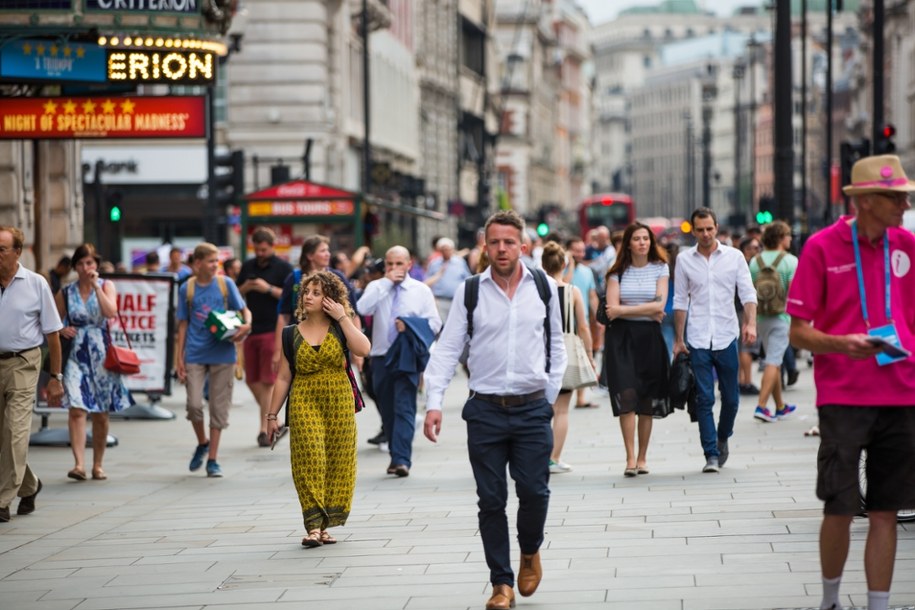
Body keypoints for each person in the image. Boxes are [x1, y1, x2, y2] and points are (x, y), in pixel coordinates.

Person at [787, 155, 915, 610]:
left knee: (885, 511)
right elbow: (798, 332)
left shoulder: (908, 245)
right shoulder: (822, 247)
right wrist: (841, 344)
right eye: (894, 197)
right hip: (843, 396)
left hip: (902, 393)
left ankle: (879, 605)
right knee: (839, 507)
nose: (904, 205)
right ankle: (830, 600)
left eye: (904, 197)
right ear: (864, 201)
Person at [422, 210, 567, 610]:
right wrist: (434, 403)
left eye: (509, 242)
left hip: (532, 407)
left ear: (523, 246)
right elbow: (447, 349)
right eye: (495, 242)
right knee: (491, 500)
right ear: (485, 246)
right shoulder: (470, 291)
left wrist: (548, 397)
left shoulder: (544, 286)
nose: (502, 249)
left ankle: (530, 550)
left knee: (534, 492)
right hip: (485, 409)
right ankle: (501, 584)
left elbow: (556, 344)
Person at [265, 271, 370, 548]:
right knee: (309, 458)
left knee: (337, 461)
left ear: (330, 299)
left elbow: (363, 349)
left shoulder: (340, 328)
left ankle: (326, 526)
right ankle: (312, 526)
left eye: (316, 293)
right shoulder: (290, 333)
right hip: (304, 400)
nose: (308, 297)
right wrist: (272, 415)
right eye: (306, 292)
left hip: (339, 402)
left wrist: (343, 317)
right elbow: (283, 377)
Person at [673, 208, 757, 473]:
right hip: (698, 337)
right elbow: (680, 300)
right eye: (700, 230)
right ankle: (710, 454)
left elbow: (748, 293)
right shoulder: (684, 260)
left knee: (731, 399)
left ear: (717, 227)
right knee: (704, 398)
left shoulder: (734, 257)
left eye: (709, 228)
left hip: (727, 334)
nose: (706, 234)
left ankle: (722, 437)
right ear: (693, 231)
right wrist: (678, 338)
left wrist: (750, 323)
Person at [357, 246, 441, 477]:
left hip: (406, 356)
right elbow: (363, 308)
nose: (394, 268)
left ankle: (402, 459)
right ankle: (396, 454)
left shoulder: (420, 290)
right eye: (390, 264)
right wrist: (385, 283)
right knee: (387, 408)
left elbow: (435, 324)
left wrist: (410, 325)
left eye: (399, 264)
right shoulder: (377, 287)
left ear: (409, 264)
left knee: (405, 406)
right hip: (381, 356)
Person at [0, 226, 64, 522]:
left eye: (1, 249)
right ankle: (30, 485)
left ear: (17, 252)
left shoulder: (36, 284)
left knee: (15, 431)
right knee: (4, 437)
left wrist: (55, 378)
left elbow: (53, 335)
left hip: (24, 362)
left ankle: (3, 499)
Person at [55, 244, 134, 481]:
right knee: (77, 409)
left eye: (89, 263)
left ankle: (97, 464)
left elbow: (110, 312)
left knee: (100, 412)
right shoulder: (66, 292)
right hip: (76, 354)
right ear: (75, 267)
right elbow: (51, 322)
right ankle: (79, 464)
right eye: (80, 264)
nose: (85, 268)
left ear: (96, 265)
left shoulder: (106, 286)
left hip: (101, 355)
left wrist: (97, 286)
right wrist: (62, 329)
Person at [176, 242, 252, 478]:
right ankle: (202, 442)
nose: (215, 265)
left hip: (223, 352)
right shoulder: (187, 288)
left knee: (218, 408)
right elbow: (183, 324)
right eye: (210, 261)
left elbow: (244, 310)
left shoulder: (225, 283)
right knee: (194, 405)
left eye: (216, 261)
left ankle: (212, 459)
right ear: (197, 263)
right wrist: (179, 358)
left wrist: (247, 324)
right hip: (195, 352)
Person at [604, 222, 670, 477]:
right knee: (627, 395)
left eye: (646, 238)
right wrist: (646, 309)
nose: (642, 242)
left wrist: (624, 309)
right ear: (628, 244)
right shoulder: (617, 272)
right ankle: (630, 458)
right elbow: (611, 310)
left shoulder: (660, 267)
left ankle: (643, 457)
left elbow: (660, 305)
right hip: (622, 340)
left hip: (649, 339)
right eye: (637, 239)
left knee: (646, 399)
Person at [236, 227, 294, 447]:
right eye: (257, 249)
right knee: (252, 380)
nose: (260, 253)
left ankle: (264, 430)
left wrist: (267, 288)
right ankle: (276, 421)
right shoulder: (248, 266)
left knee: (268, 381)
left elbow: (290, 297)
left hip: (272, 328)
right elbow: (236, 293)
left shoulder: (283, 268)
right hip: (251, 329)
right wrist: (247, 286)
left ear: (272, 246)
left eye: (263, 249)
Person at [541, 241, 593, 473]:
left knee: (542, 409)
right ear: (564, 264)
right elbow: (583, 326)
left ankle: (538, 457)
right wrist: (589, 355)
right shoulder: (572, 292)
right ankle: (553, 459)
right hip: (566, 353)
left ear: (543, 265)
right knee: (561, 410)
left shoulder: (538, 291)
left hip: (540, 354)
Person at [748, 220, 798, 423]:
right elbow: (794, 293)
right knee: (773, 361)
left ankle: (780, 406)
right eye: (788, 235)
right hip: (781, 316)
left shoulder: (755, 261)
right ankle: (761, 406)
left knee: (773, 359)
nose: (790, 239)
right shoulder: (791, 261)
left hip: (761, 317)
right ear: (780, 238)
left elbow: (750, 289)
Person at [565, 237, 599, 408]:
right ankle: (564, 396)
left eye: (582, 250)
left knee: (583, 357)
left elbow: (592, 295)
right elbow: (563, 285)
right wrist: (570, 265)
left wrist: (598, 317)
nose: (580, 254)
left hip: (582, 319)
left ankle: (580, 398)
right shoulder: (561, 270)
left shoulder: (587, 271)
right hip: (564, 322)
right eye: (576, 251)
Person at [424, 237, 472, 324]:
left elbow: (468, 278)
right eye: (444, 249)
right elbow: (427, 281)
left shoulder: (459, 262)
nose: (446, 252)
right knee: (441, 324)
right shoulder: (434, 264)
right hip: (440, 300)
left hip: (457, 299)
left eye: (448, 249)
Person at [736, 236, 762, 396]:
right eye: (755, 248)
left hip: (739, 309)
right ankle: (746, 381)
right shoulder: (747, 264)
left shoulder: (740, 263)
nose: (758, 251)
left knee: (741, 347)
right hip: (743, 310)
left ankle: (740, 380)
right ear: (746, 249)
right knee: (746, 347)